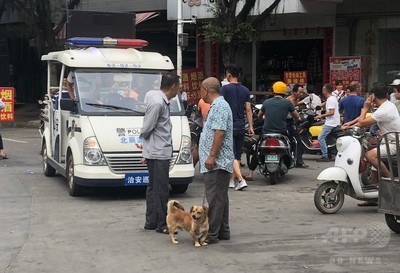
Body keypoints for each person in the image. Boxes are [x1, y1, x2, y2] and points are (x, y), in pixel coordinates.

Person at [343, 83, 400, 206]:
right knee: (374, 170)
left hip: (395, 143)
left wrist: (365, 107)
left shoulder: (384, 110)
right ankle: (373, 198)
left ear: (373, 96)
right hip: (388, 142)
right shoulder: (386, 105)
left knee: (370, 156)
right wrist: (350, 124)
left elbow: (363, 122)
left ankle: (392, 182)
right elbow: (366, 118)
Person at [140, 72, 180, 234]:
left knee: (153, 188)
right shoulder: (158, 103)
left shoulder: (157, 98)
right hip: (158, 152)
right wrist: (147, 147)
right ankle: (162, 223)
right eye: (179, 86)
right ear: (173, 87)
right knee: (161, 189)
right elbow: (147, 127)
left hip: (155, 150)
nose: (180, 90)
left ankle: (151, 221)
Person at [198, 76, 234, 244]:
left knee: (214, 198)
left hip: (217, 162)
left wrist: (211, 155)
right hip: (218, 161)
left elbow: (220, 132)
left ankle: (211, 234)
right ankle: (223, 231)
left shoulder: (219, 105)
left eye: (201, 90)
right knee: (220, 197)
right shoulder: (218, 105)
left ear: (206, 89)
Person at [245, 81, 300, 180]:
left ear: (273, 91)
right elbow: (296, 116)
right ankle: (292, 159)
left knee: (257, 148)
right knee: (292, 142)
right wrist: (297, 120)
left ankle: (250, 173)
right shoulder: (288, 103)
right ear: (284, 92)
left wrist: (262, 119)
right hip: (282, 132)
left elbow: (259, 116)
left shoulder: (266, 102)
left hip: (266, 132)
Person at [220, 64, 254, 191]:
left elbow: (221, 106)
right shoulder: (245, 90)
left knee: (231, 154)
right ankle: (231, 181)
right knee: (238, 154)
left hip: (229, 125)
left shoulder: (225, 89)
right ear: (238, 75)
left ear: (228, 74)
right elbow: (248, 109)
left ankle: (240, 179)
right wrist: (250, 126)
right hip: (241, 125)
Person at [315, 83, 341, 162]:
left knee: (320, 137)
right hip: (335, 122)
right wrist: (318, 106)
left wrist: (321, 116)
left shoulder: (330, 99)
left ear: (325, 90)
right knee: (328, 138)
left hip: (331, 123)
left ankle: (324, 155)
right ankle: (329, 154)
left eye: (323, 89)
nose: (322, 91)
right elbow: (326, 104)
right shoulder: (332, 98)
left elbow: (331, 112)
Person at [286, 84, 308, 168]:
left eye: (302, 92)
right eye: (300, 92)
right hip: (287, 124)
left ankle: (298, 161)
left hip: (294, 123)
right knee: (296, 141)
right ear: (294, 92)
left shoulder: (297, 99)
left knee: (298, 142)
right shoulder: (289, 101)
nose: (301, 94)